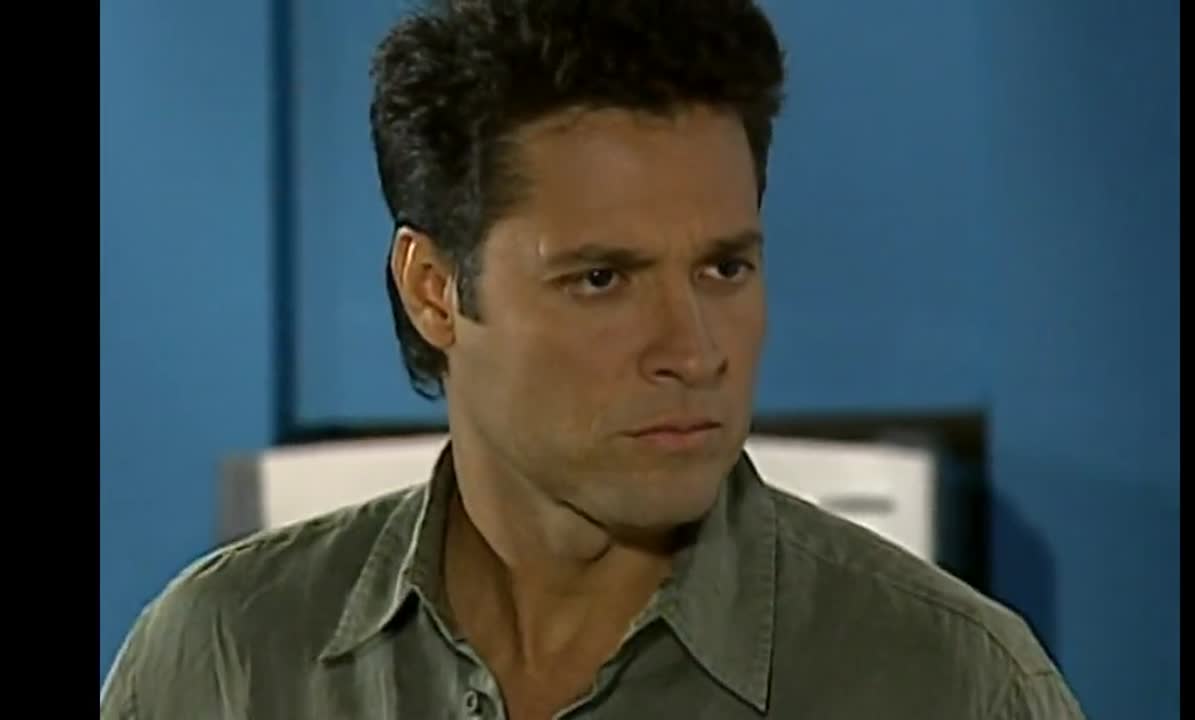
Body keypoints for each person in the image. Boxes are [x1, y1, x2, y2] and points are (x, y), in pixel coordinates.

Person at [100, 1, 1086, 718]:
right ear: (434, 290)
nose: (692, 351)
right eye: (602, 279)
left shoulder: (953, 684)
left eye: (724, 268)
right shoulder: (224, 664)